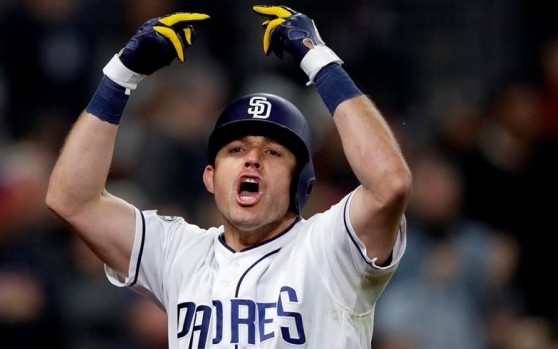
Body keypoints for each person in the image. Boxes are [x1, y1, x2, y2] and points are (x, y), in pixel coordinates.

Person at [46, 5, 412, 348]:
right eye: (235, 150)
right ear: (210, 177)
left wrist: (321, 62)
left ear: (299, 182)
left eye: (272, 152)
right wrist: (119, 77)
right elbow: (73, 199)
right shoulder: (179, 253)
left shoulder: (330, 248)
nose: (252, 159)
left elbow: (389, 184)